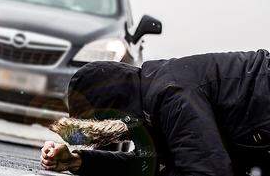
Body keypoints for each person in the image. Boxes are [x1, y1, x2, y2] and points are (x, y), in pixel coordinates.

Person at [40, 50, 270, 176]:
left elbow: (207, 171)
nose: (122, 138)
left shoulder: (171, 96)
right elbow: (146, 166)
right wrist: (77, 161)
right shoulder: (153, 97)